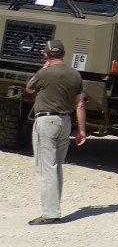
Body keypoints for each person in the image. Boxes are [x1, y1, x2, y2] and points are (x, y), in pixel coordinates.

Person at [24, 39, 86, 225]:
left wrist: (44, 67)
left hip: (46, 122)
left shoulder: (44, 73)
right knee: (57, 167)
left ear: (46, 55)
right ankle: (54, 208)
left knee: (45, 168)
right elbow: (80, 104)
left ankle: (50, 213)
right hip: (65, 122)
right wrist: (81, 130)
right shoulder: (75, 75)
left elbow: (29, 88)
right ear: (64, 54)